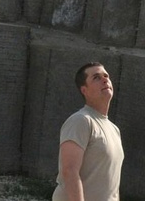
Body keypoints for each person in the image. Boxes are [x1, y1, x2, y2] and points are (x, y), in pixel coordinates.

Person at [53, 62, 123, 201]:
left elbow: (110, 186)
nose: (105, 80)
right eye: (96, 77)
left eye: (106, 76)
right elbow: (70, 171)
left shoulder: (114, 129)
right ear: (84, 90)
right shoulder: (81, 121)